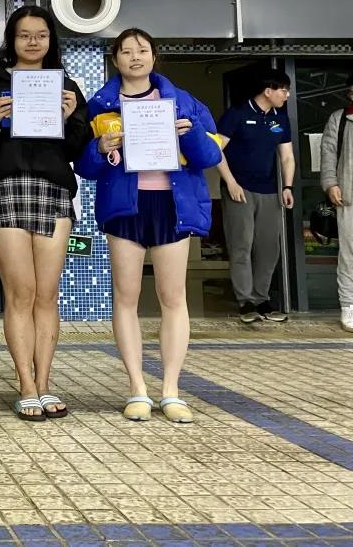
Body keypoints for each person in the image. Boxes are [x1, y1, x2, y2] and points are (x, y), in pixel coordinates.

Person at [76, 27, 222, 424]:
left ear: (154, 57)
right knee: (126, 296)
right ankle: (137, 388)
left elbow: (210, 156)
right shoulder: (101, 104)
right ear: (115, 59)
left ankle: (171, 390)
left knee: (173, 297)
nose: (135, 57)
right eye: (126, 51)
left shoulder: (183, 102)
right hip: (126, 206)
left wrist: (190, 136)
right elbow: (84, 167)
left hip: (172, 204)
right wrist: (100, 148)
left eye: (142, 50)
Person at [0, 6, 89, 421]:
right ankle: (26, 385)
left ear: (51, 41)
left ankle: (46, 382)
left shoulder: (65, 86)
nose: (33, 42)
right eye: (24, 35)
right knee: (20, 292)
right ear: (12, 40)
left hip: (54, 190)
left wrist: (69, 119)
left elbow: (78, 149)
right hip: (6, 189)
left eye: (41, 35)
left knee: (47, 293)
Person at [215, 68, 295, 324]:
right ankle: (245, 301)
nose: (287, 95)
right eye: (284, 90)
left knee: (269, 247)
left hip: (270, 190)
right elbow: (216, 150)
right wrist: (231, 182)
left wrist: (288, 187)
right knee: (241, 245)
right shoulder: (237, 114)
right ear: (268, 91)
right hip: (240, 190)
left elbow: (287, 157)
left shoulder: (280, 118)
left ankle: (262, 299)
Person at [319, 73, 353, 334]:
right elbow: (328, 153)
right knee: (349, 255)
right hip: (348, 198)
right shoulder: (340, 118)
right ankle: (349, 306)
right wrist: (331, 184)